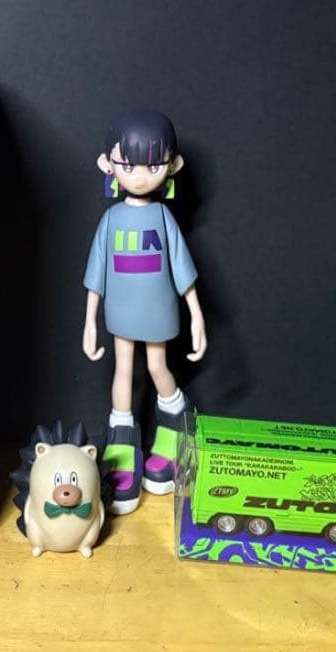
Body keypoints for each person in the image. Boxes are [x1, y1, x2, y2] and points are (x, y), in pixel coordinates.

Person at [82, 110, 208, 515]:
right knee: (122, 371)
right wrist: (89, 321)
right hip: (120, 311)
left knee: (156, 367)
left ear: (173, 166)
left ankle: (175, 427)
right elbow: (97, 273)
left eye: (153, 166)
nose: (138, 176)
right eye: (128, 164)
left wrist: (197, 315)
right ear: (108, 165)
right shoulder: (111, 219)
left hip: (157, 309)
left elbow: (182, 268)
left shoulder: (163, 217)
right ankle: (121, 443)